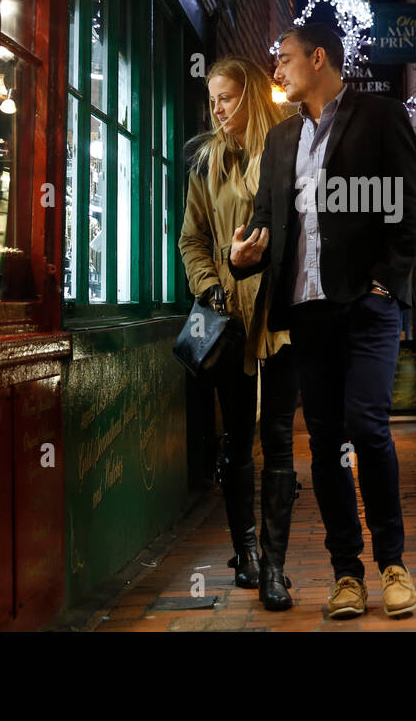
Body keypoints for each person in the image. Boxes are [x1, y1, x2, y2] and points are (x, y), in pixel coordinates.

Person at [229, 23, 416, 619]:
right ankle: (348, 574)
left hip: (367, 308)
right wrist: (244, 256)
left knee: (367, 427)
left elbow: (412, 201)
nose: (278, 70)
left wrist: (387, 280)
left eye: (285, 59)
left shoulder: (381, 115)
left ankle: (393, 563)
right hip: (307, 313)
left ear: (319, 59)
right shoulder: (282, 141)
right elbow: (266, 223)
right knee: (323, 445)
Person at [178, 56, 300, 611]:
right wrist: (213, 290)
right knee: (236, 440)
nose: (218, 109)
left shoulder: (285, 151)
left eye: (226, 97)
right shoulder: (206, 163)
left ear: (250, 95)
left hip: (279, 316)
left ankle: (275, 567)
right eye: (213, 100)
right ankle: (245, 553)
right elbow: (191, 239)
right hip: (229, 317)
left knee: (277, 436)